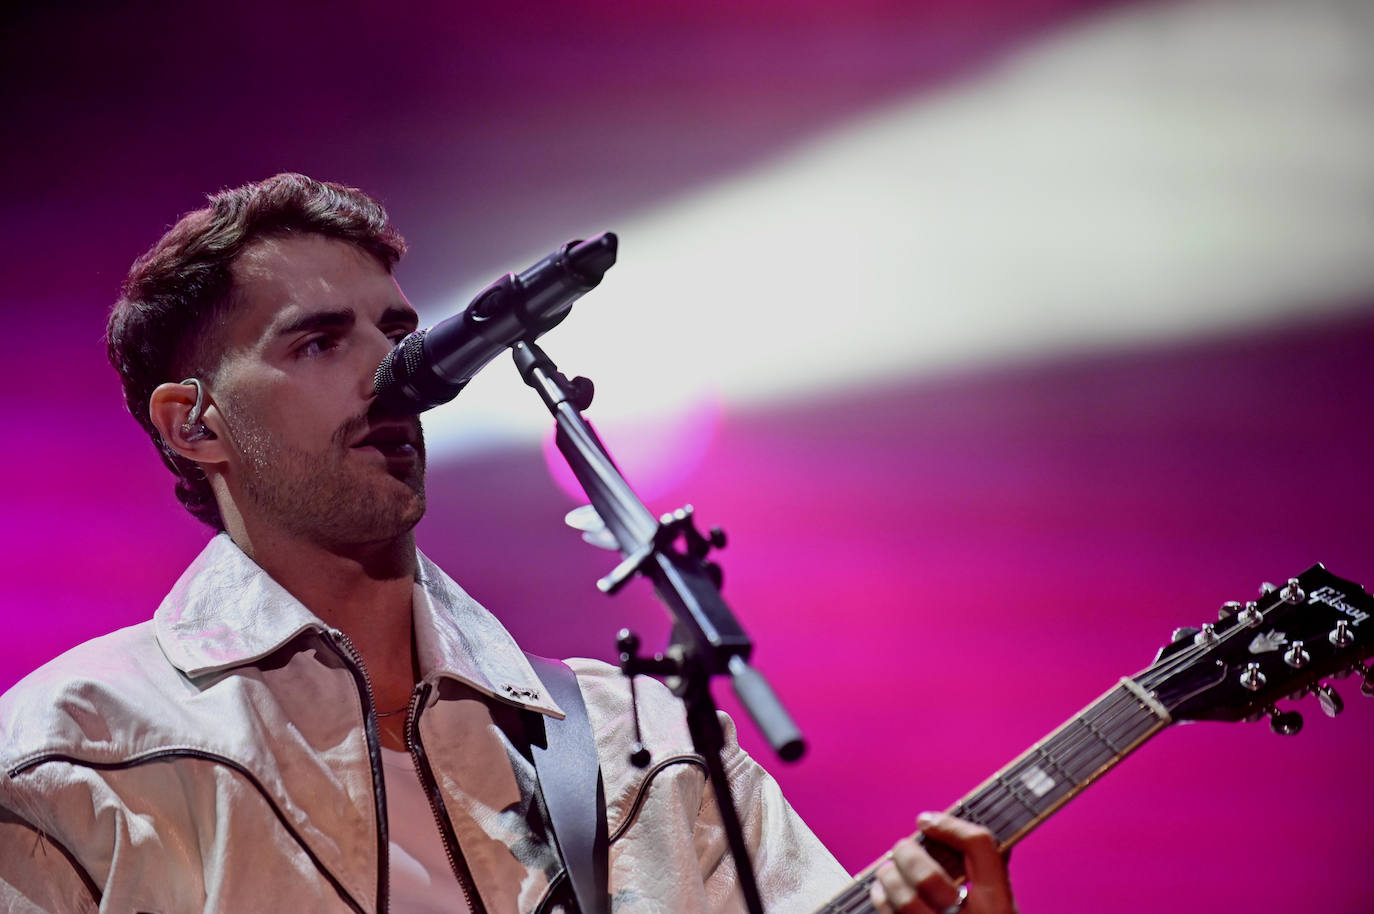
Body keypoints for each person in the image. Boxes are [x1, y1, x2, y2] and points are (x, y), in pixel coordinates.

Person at [0, 174, 1018, 914]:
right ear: (196, 423)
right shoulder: (72, 751)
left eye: (396, 333)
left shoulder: (648, 741)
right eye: (318, 341)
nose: (390, 373)